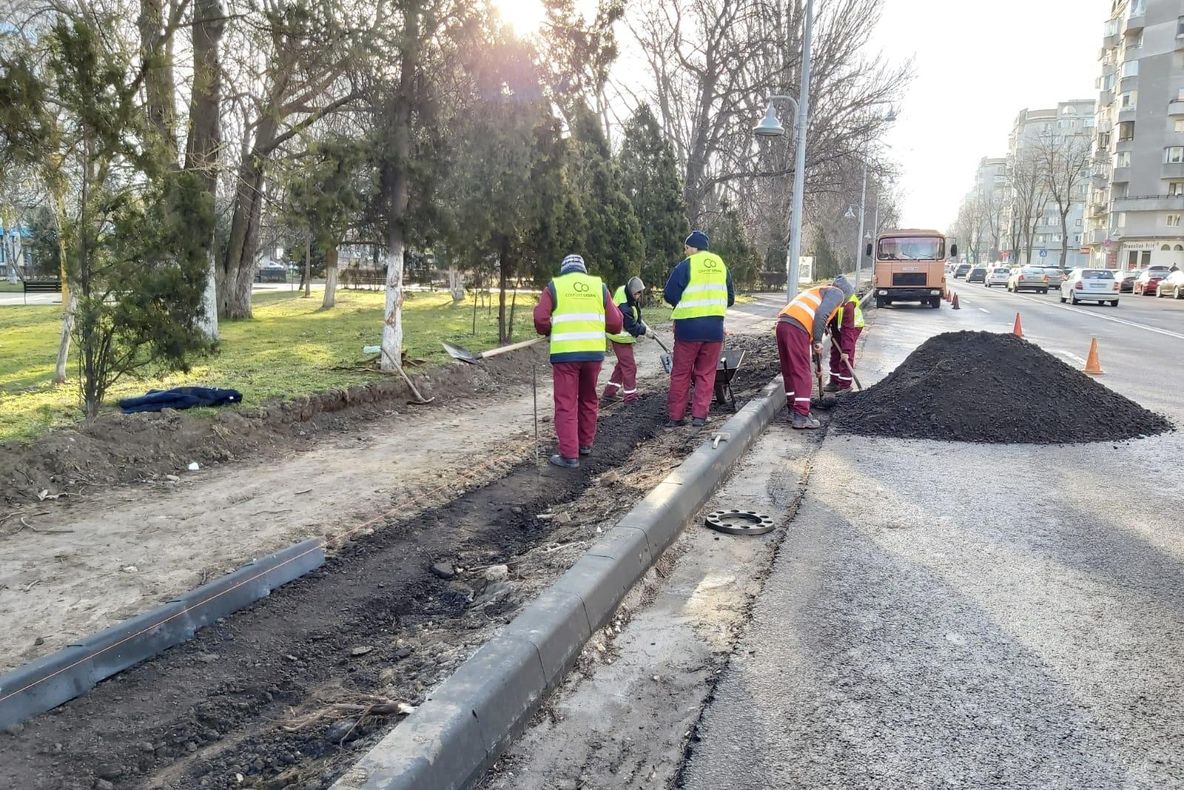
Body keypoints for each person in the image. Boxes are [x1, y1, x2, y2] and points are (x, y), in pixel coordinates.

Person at [533, 254, 623, 469]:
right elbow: (615, 323)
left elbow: (540, 319)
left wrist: (548, 330)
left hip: (565, 355)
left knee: (566, 403)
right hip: (592, 354)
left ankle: (569, 455)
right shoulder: (599, 287)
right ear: (583, 270)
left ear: (564, 270)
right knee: (589, 398)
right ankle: (585, 445)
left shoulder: (555, 286)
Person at [663, 231, 735, 428]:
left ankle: (676, 417)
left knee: (681, 373)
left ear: (693, 248)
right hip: (714, 330)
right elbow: (730, 298)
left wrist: (683, 303)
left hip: (688, 329)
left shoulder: (687, 265)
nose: (685, 252)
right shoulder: (721, 265)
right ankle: (700, 417)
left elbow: (669, 294)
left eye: (686, 248)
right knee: (706, 373)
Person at [775, 275, 855, 429]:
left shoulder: (819, 291)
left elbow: (813, 328)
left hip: (783, 324)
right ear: (845, 294)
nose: (843, 305)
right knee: (802, 372)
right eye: (844, 302)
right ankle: (801, 415)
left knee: (790, 370)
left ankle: (793, 409)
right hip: (797, 327)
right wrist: (818, 341)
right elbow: (821, 315)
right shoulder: (837, 293)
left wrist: (817, 364)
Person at [602, 276, 649, 405]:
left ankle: (609, 393)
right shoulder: (624, 306)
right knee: (629, 367)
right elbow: (631, 326)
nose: (638, 296)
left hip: (622, 337)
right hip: (619, 337)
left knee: (622, 365)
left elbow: (635, 316)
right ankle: (630, 398)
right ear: (631, 292)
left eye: (639, 293)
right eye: (636, 294)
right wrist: (644, 331)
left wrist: (642, 324)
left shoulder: (627, 295)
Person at [824, 290, 865, 394]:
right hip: (839, 326)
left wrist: (846, 351)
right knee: (835, 351)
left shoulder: (848, 305)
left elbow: (848, 330)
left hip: (853, 327)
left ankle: (845, 385)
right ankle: (834, 382)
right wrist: (827, 325)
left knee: (845, 355)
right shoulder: (832, 297)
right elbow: (831, 314)